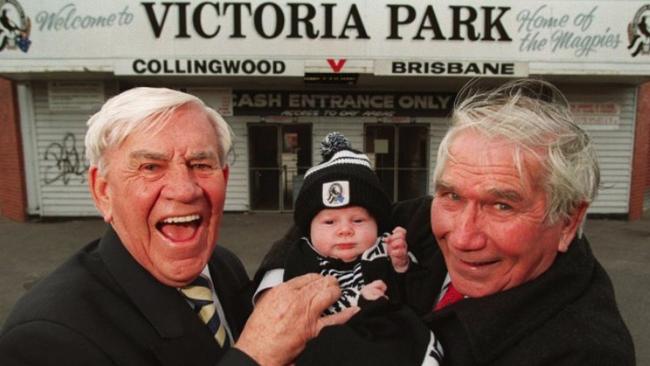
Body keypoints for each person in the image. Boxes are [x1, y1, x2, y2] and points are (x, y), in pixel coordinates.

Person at [256, 79, 636, 365]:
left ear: (568, 221)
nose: (462, 237)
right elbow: (322, 221)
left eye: (502, 206)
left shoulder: (586, 352)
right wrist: (276, 295)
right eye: (452, 195)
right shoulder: (420, 218)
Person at [0, 87, 356, 366]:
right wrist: (255, 357)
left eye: (201, 164)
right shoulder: (47, 338)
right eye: (150, 167)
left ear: (224, 178)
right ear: (103, 192)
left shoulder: (221, 264)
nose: (185, 189)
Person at [273, 132, 441, 365]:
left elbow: (416, 300)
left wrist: (401, 266)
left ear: (377, 223)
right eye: (329, 222)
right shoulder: (301, 256)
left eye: (358, 221)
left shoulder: (384, 249)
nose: (345, 230)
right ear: (308, 229)